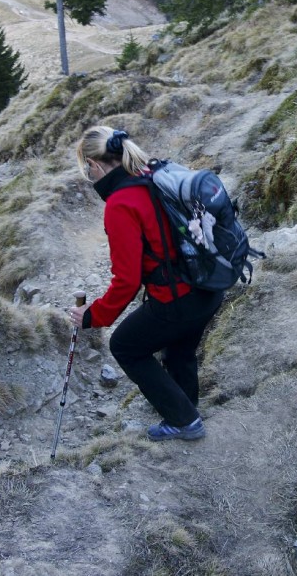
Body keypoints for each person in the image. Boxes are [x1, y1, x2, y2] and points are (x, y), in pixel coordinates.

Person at [67, 126, 224, 441]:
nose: (89, 175)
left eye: (87, 169)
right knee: (180, 349)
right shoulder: (155, 174)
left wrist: (93, 316)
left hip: (179, 299)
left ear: (94, 165)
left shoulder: (120, 203)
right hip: (209, 286)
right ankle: (184, 406)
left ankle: (184, 421)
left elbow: (127, 280)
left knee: (125, 345)